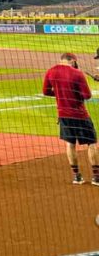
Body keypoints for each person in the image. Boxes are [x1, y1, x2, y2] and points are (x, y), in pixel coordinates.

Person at [43, 53, 99, 185]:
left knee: (70, 143)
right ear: (72, 61)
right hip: (80, 115)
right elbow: (87, 95)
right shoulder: (77, 74)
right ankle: (96, 177)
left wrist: (59, 94)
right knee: (91, 143)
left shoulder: (50, 71)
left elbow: (45, 91)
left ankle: (76, 176)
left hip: (63, 115)